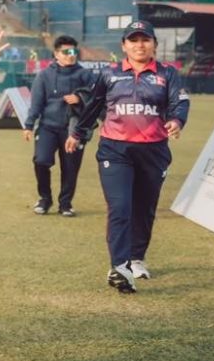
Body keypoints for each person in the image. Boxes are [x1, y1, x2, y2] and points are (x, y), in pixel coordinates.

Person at [69, 20, 190, 294]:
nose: (139, 45)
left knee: (144, 209)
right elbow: (94, 105)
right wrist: (78, 133)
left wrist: (176, 121)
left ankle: (136, 258)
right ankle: (120, 267)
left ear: (154, 44)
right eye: (133, 40)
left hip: (153, 151)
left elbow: (179, 102)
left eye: (145, 40)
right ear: (124, 45)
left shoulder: (167, 74)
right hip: (115, 150)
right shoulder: (109, 74)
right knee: (120, 207)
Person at [22, 35, 95, 217]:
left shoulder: (86, 75)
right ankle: (45, 199)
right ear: (56, 54)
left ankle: (65, 204)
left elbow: (97, 99)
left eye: (74, 51)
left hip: (74, 129)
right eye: (66, 51)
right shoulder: (44, 75)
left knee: (70, 167)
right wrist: (29, 125)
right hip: (47, 127)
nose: (71, 55)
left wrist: (79, 98)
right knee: (41, 161)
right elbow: (36, 103)